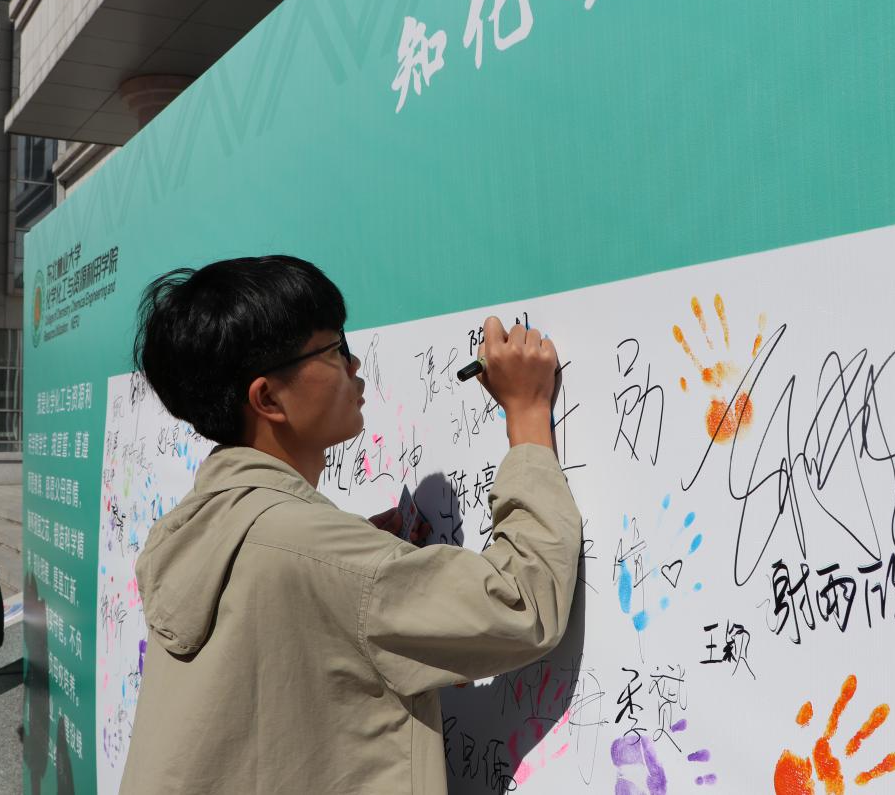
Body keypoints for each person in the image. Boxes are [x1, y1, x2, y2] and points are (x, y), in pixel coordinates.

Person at [120, 256, 582, 793]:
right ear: (268, 398)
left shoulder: (192, 525)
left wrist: (354, 561)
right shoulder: (323, 558)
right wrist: (527, 414)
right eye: (334, 349)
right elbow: (522, 606)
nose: (355, 363)